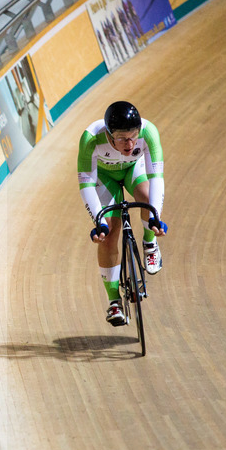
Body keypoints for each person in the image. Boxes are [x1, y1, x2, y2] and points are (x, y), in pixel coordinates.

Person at [77, 100, 167, 326]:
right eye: (122, 138)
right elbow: (86, 184)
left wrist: (155, 215)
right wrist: (100, 221)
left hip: (131, 170)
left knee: (146, 199)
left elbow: (156, 178)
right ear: (108, 134)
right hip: (104, 178)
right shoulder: (90, 139)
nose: (129, 143)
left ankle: (149, 244)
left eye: (133, 136)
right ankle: (114, 301)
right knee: (109, 236)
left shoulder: (149, 132)